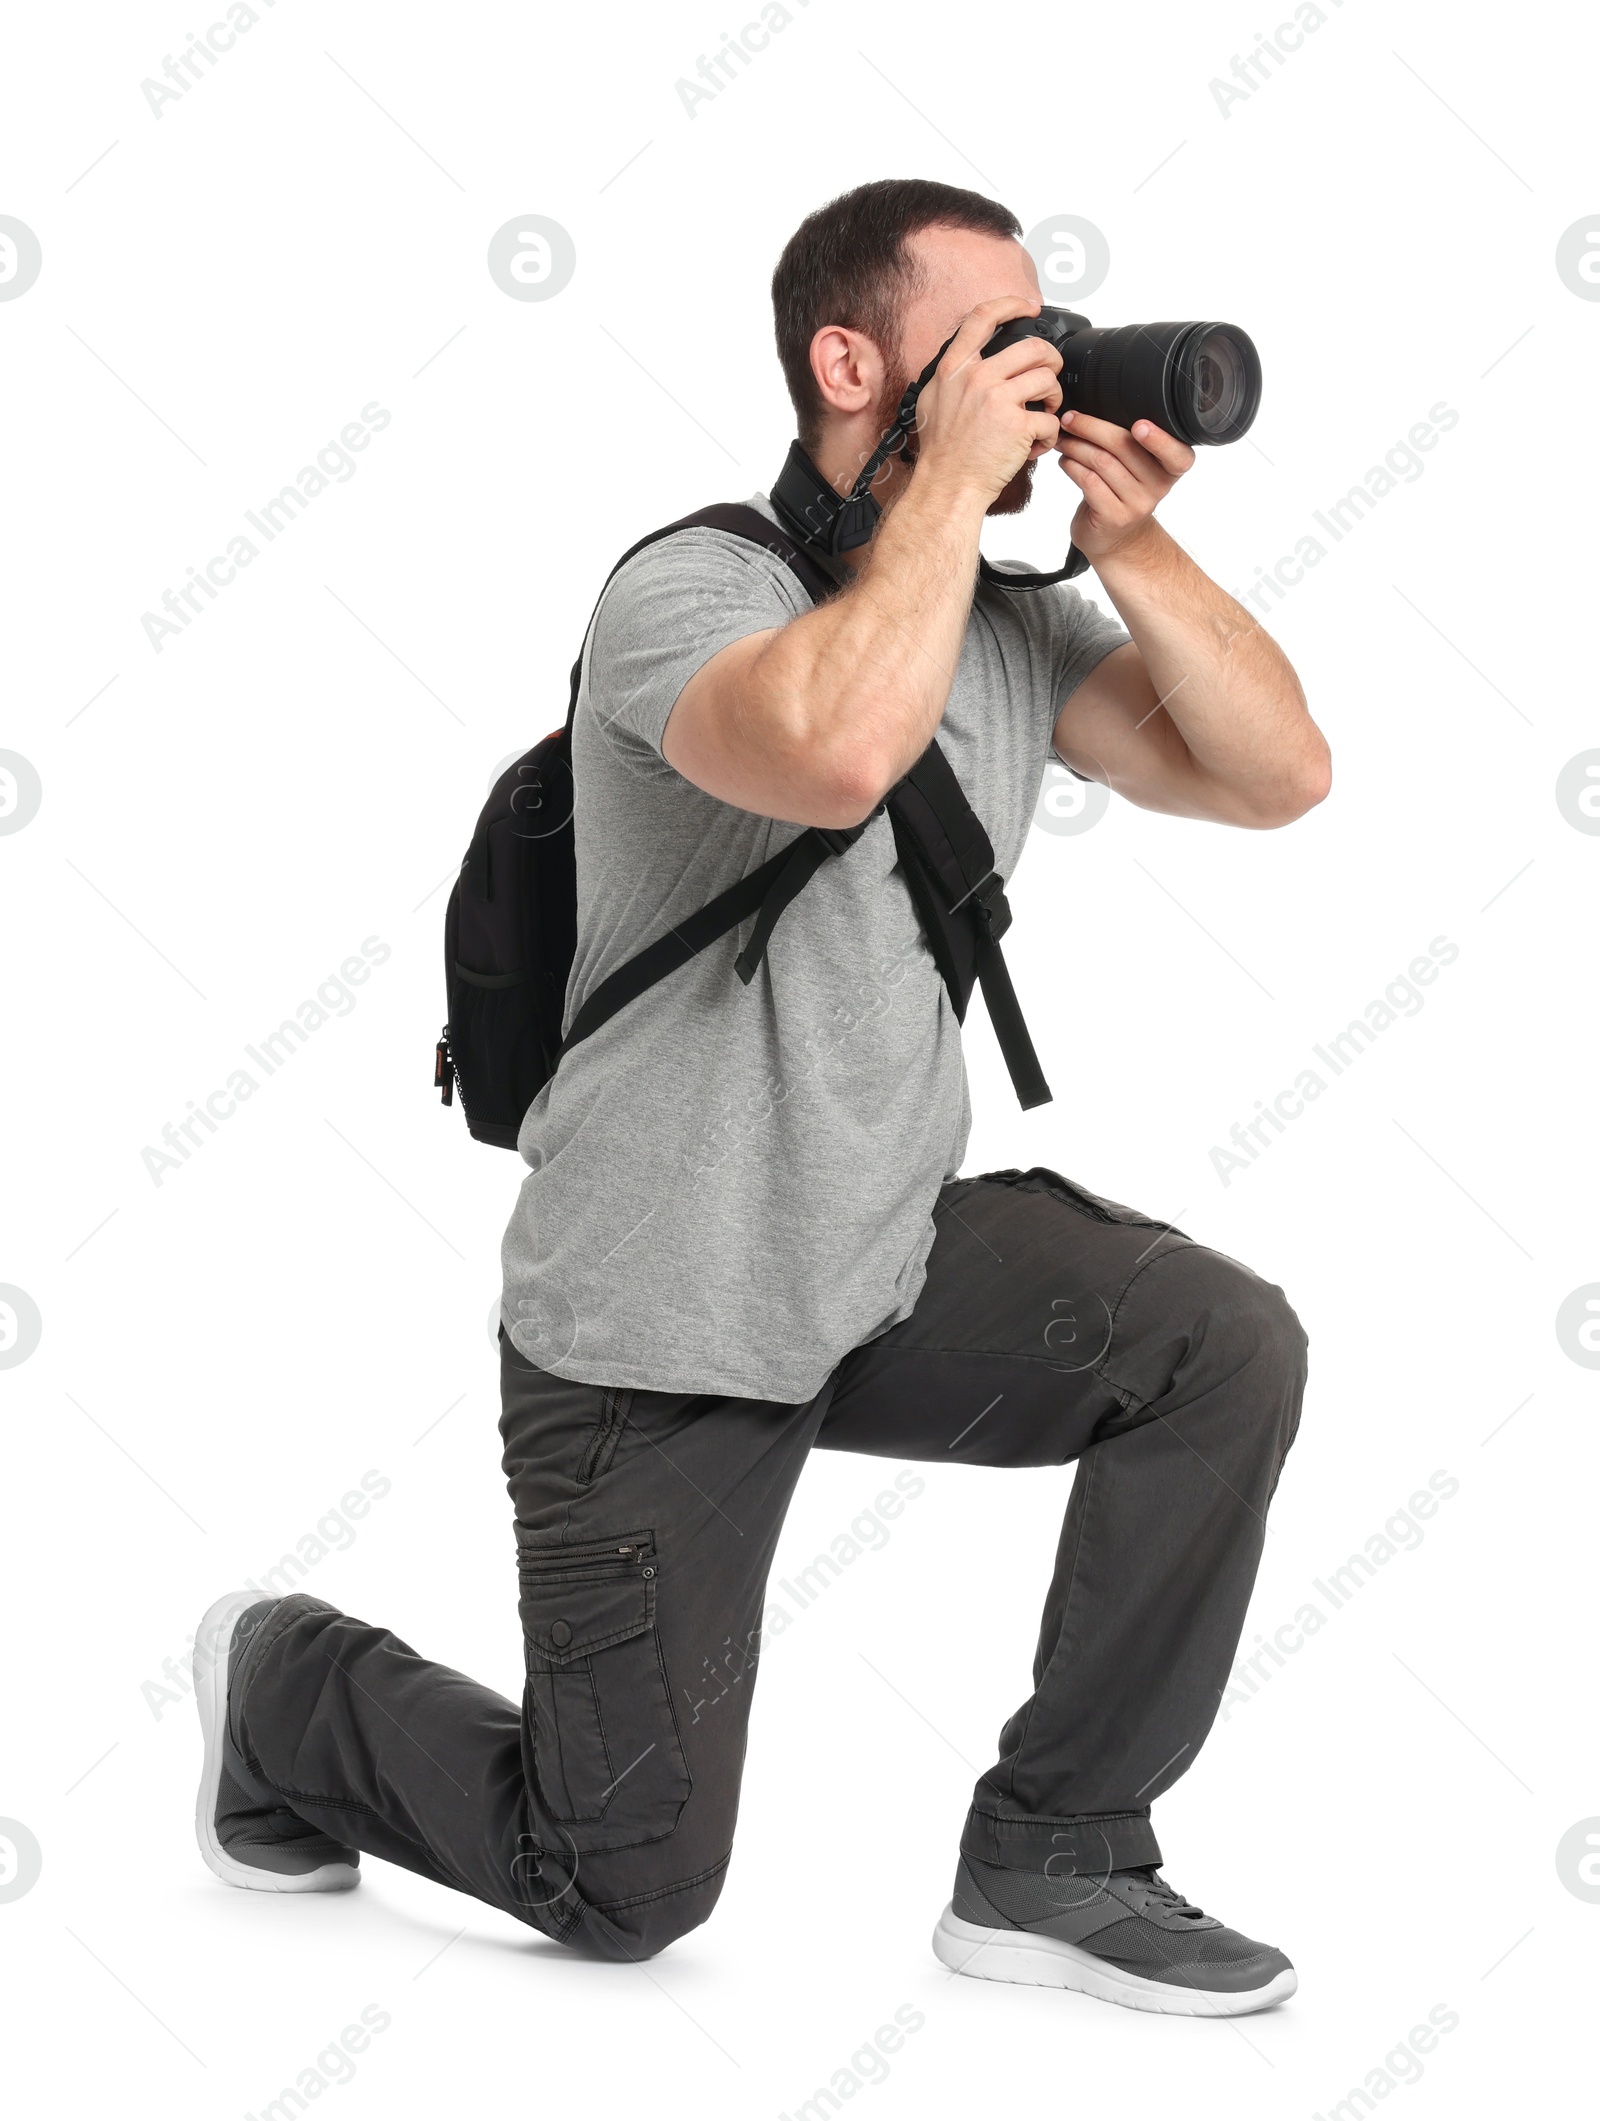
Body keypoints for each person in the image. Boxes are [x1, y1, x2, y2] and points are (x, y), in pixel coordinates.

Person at [191, 178, 1330, 2018]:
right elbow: (828, 748)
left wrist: (1130, 545)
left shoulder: (1009, 624)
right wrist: (954, 494)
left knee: (1222, 1345)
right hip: (657, 1322)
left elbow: (1280, 773)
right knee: (622, 1883)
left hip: (879, 1271)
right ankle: (288, 1685)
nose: (1034, 379)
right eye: (993, 348)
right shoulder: (686, 590)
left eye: (1047, 338)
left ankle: (1060, 1851)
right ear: (851, 361)